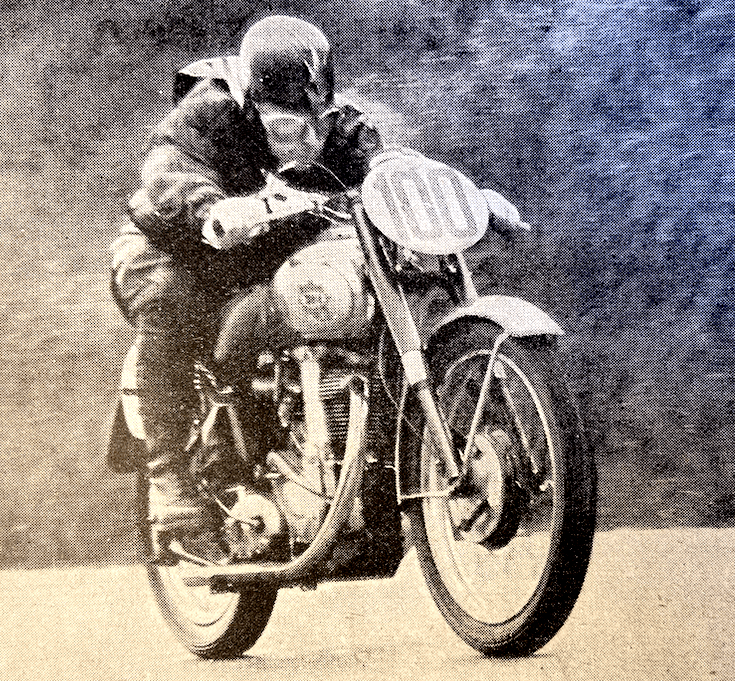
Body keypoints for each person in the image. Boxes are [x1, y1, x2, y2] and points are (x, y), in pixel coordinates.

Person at [110, 16, 383, 531]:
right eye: (285, 120)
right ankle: (170, 479)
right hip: (176, 245)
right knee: (171, 302)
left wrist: (438, 193)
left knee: (359, 291)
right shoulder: (210, 113)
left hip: (264, 254)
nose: (303, 133)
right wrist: (211, 208)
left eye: (314, 115)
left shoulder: (339, 126)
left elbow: (383, 164)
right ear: (255, 103)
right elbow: (170, 169)